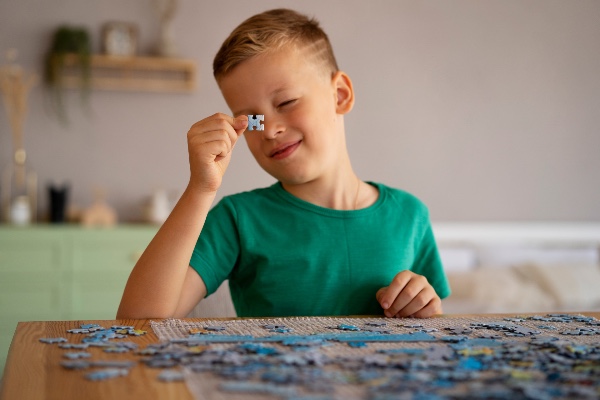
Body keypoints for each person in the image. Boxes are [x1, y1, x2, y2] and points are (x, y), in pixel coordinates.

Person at [117, 8, 451, 320]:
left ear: (340, 95)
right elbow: (138, 322)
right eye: (253, 120)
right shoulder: (238, 220)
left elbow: (433, 328)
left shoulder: (411, 216)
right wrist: (201, 188)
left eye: (287, 102)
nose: (272, 130)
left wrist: (425, 309)